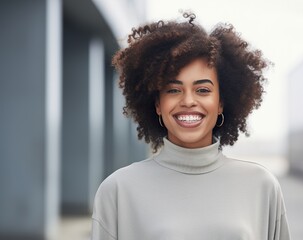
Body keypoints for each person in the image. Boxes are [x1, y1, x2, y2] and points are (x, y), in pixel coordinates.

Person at [91, 12, 291, 240]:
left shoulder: (261, 186)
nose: (188, 101)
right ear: (157, 104)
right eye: (173, 90)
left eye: (203, 90)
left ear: (221, 103)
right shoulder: (118, 190)